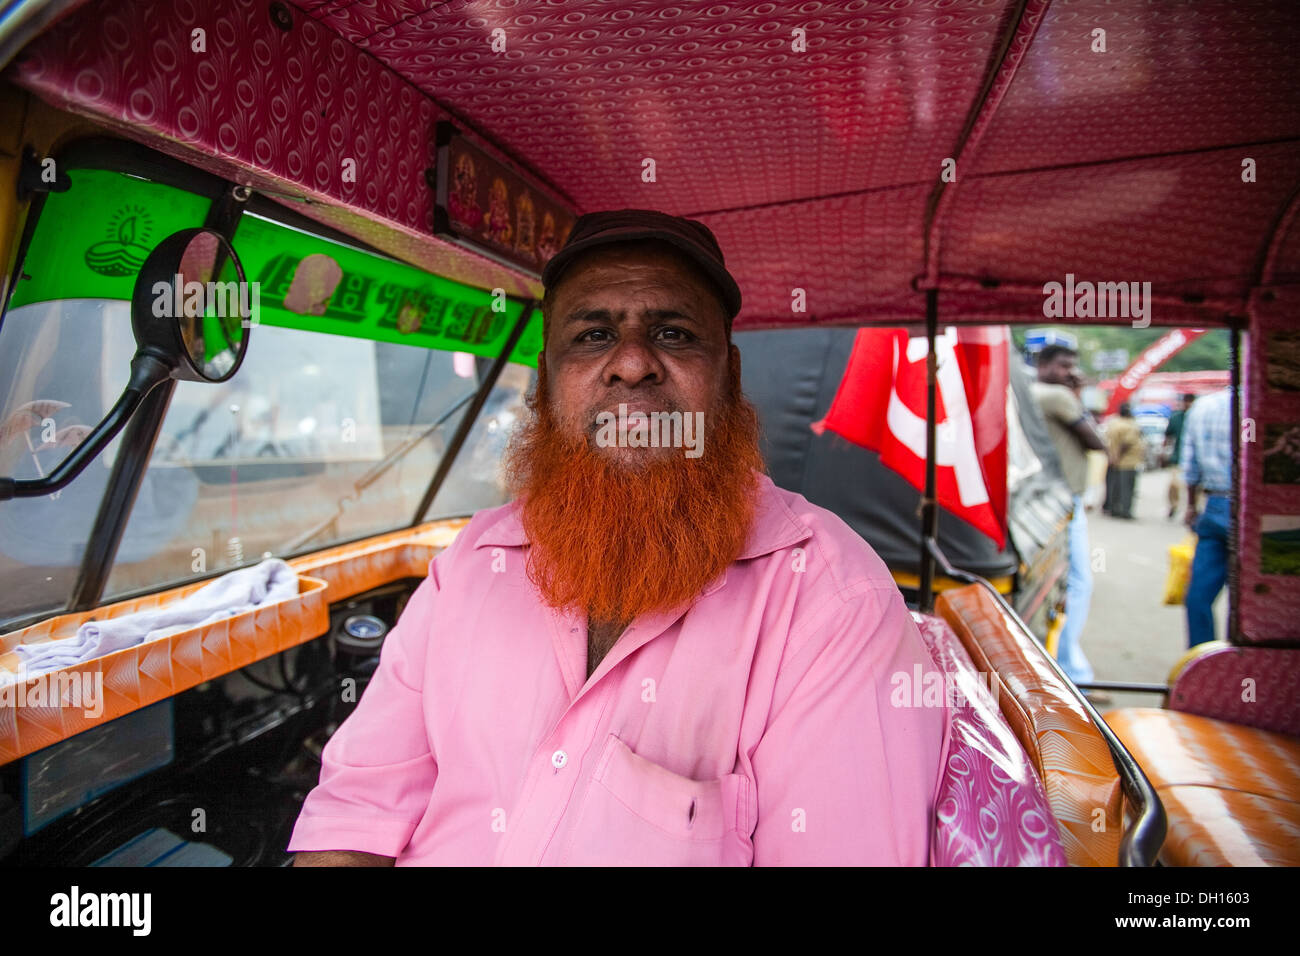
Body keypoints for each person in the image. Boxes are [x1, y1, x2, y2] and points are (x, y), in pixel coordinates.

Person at [287, 210, 950, 866]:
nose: (632, 363)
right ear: (545, 382)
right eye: (593, 334)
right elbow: (356, 810)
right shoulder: (471, 563)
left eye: (673, 332)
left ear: (731, 377)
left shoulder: (832, 602)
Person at [1031, 346, 1108, 694]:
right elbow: (1097, 442)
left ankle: (1064, 663)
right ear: (1042, 365)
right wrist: (1077, 394)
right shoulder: (1056, 396)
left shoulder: (1036, 392)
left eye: (1072, 368)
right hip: (1062, 501)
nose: (1069, 372)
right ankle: (1071, 670)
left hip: (1044, 500)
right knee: (1079, 582)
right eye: (1063, 366)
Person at [1182, 385, 1235, 647]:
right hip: (1256, 506)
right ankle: (1246, 659)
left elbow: (1190, 467)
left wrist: (1191, 506)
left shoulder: (1203, 407)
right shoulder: (1264, 402)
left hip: (1214, 503)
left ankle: (1203, 658)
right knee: (1253, 595)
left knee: (1199, 596)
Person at [1102, 403, 1145, 520]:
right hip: (1127, 461)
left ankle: (1113, 508)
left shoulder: (1113, 423)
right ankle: (1125, 511)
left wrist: (1113, 457)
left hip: (1114, 461)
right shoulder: (1130, 425)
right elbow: (1126, 443)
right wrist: (1118, 456)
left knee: (1114, 486)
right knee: (1127, 488)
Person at [1164, 393, 1195, 519]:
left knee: (1194, 487)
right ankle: (1174, 505)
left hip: (1194, 458)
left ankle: (1192, 508)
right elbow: (1167, 436)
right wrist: (1163, 451)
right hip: (1178, 457)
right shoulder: (1176, 417)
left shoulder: (1196, 417)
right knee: (1174, 484)